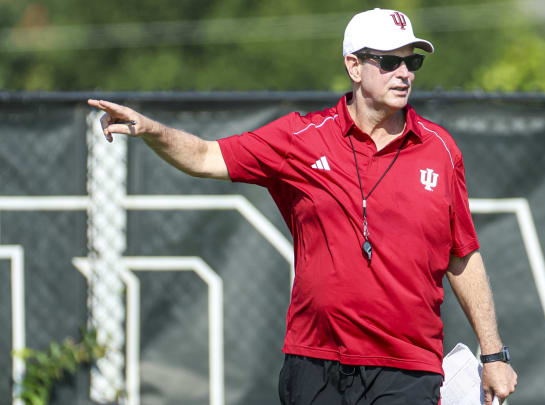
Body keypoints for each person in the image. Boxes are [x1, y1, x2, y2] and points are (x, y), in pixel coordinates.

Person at [88, 8, 517, 405]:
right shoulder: (301, 138)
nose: (404, 73)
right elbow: (204, 156)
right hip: (315, 363)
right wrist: (149, 129)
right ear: (354, 66)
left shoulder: (441, 150)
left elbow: (462, 255)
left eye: (412, 62)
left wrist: (494, 353)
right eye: (389, 62)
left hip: (406, 368)